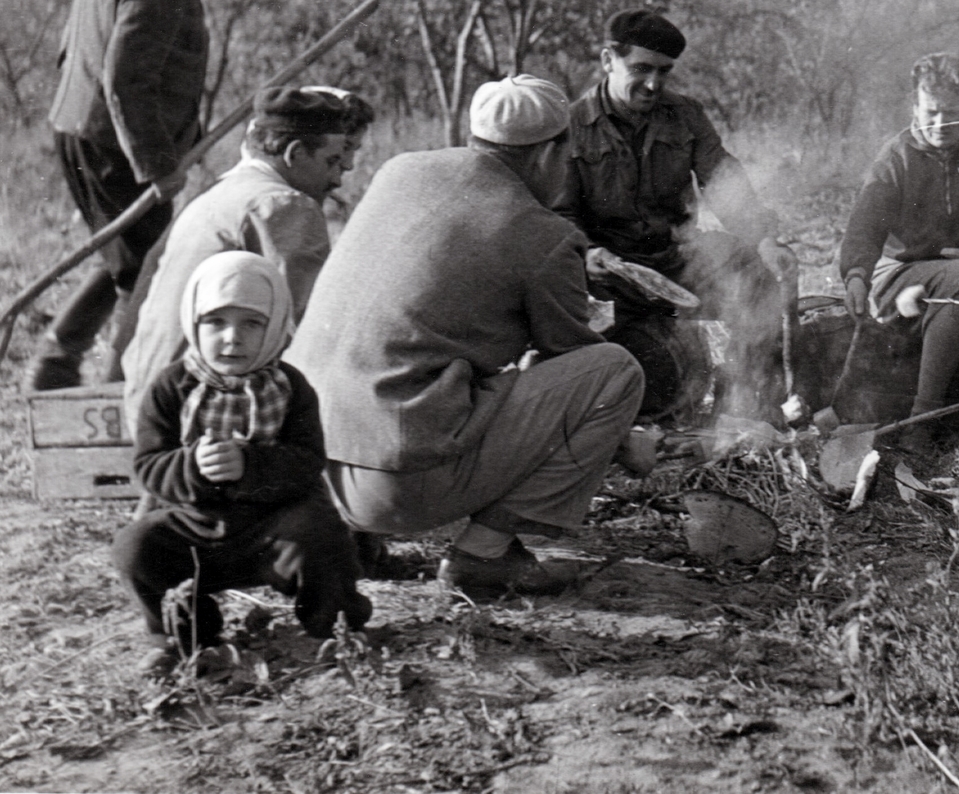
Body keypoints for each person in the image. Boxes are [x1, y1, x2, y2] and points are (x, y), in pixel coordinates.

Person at [287, 75, 645, 595]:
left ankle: (349, 541)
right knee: (616, 372)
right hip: (392, 489)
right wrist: (627, 438)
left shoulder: (399, 171)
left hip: (304, 468)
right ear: (548, 154)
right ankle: (484, 555)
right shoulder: (546, 234)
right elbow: (576, 362)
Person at [30, 0, 249, 392]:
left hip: (85, 130)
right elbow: (126, 78)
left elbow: (76, 50)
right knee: (148, 272)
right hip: (116, 143)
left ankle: (56, 363)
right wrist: (154, 164)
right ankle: (120, 394)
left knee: (125, 255)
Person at [111, 251, 370, 677]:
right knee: (135, 548)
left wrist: (251, 465)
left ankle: (335, 629)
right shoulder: (171, 387)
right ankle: (184, 637)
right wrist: (191, 466)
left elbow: (307, 461)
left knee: (320, 534)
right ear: (193, 322)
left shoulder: (291, 387)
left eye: (252, 323)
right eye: (216, 322)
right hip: (196, 525)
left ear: (276, 326)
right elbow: (149, 464)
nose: (233, 338)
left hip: (275, 526)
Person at [557, 9, 794, 422]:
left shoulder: (686, 114)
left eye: (664, 72)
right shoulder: (572, 126)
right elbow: (559, 214)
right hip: (609, 275)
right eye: (641, 69)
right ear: (608, 60)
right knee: (649, 381)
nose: (653, 84)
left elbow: (724, 182)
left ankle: (739, 402)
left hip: (676, 257)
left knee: (757, 279)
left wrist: (764, 240)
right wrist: (587, 253)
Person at [119, 86, 370, 420]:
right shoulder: (283, 204)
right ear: (294, 154)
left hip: (153, 401)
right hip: (203, 410)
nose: (338, 178)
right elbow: (314, 331)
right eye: (332, 161)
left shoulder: (220, 193)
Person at [838, 54, 959, 441]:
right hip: (901, 272)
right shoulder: (897, 155)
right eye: (931, 112)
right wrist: (857, 275)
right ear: (914, 106)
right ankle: (923, 417)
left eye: (953, 113)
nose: (940, 124)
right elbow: (864, 228)